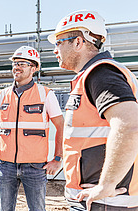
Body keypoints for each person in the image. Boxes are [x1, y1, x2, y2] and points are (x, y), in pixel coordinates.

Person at [48, 10, 138, 210]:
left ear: (79, 42)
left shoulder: (101, 74)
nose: (55, 50)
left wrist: (106, 185)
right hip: (100, 200)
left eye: (58, 43)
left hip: (103, 202)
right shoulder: (98, 75)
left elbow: (129, 126)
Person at [0, 46, 64, 211]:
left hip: (35, 166)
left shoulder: (46, 94)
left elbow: (61, 126)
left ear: (34, 68)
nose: (17, 67)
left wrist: (57, 158)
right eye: (15, 63)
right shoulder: (3, 95)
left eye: (22, 63)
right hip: (6, 165)